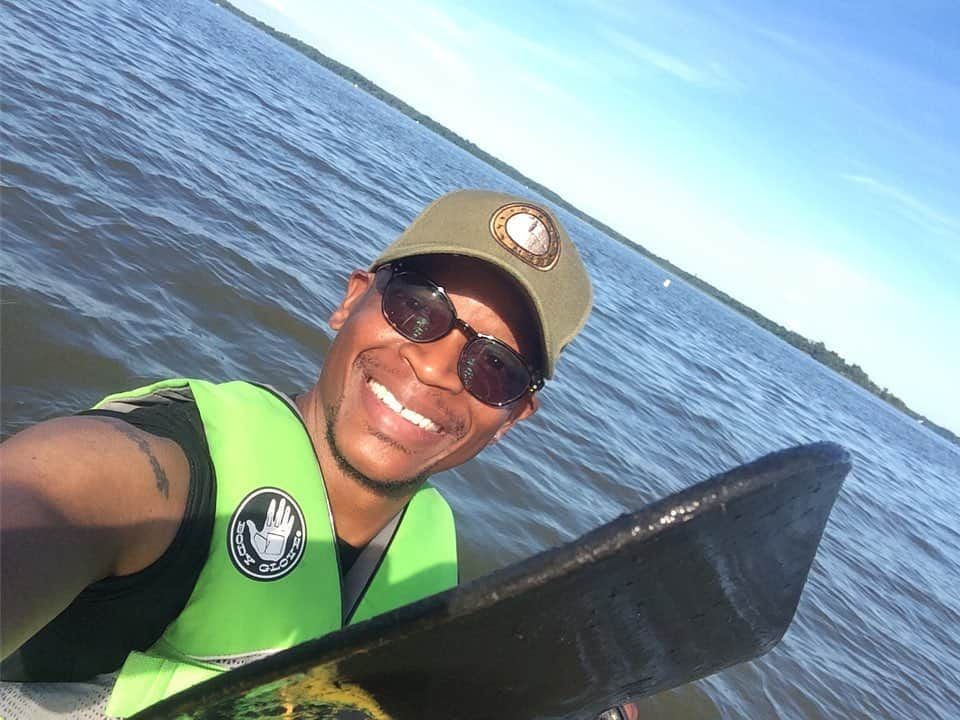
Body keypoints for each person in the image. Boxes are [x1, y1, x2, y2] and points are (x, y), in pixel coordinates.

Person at [0, 189, 593, 718]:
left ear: (511, 419)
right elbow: (49, 496)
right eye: (419, 309)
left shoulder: (425, 564)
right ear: (352, 299)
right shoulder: (151, 475)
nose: (435, 368)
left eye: (495, 367)